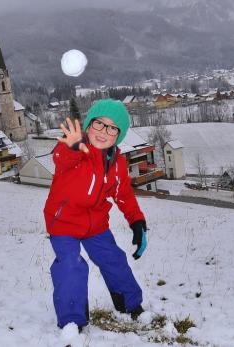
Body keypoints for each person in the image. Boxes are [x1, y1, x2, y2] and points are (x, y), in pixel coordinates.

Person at [43, 98, 148, 330]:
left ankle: (130, 304)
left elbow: (124, 195)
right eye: (99, 124)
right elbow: (60, 158)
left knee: (114, 260)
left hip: (95, 224)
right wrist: (70, 146)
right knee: (71, 264)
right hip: (64, 222)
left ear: (118, 135)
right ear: (89, 125)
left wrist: (137, 221)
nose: (104, 132)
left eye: (112, 128)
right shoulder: (77, 151)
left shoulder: (118, 163)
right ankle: (72, 321)